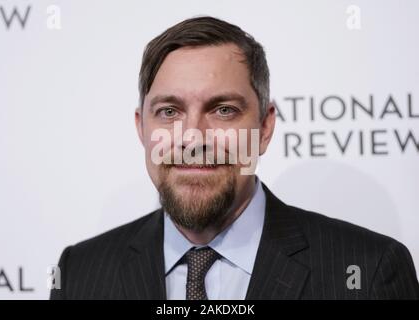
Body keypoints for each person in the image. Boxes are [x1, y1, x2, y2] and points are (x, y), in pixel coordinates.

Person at [50, 16, 419, 300]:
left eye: (223, 110)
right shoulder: (80, 275)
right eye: (169, 112)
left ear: (264, 127)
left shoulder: (367, 271)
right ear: (141, 128)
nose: (193, 137)